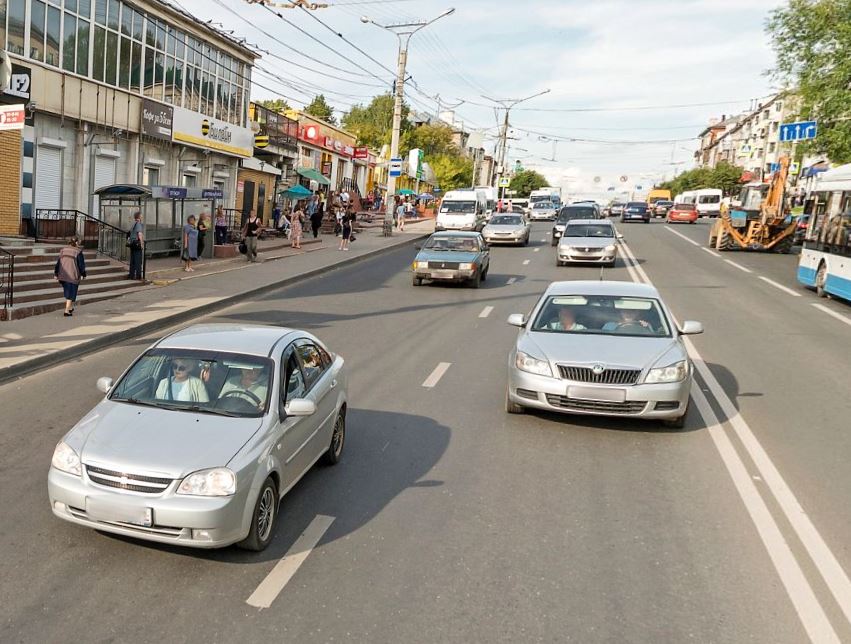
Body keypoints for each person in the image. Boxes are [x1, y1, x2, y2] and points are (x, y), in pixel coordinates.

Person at [54, 237, 87, 317]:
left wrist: (56, 273)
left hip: (63, 274)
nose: (79, 244)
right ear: (76, 243)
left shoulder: (63, 250)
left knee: (69, 291)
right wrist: (83, 274)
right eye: (78, 242)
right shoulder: (78, 252)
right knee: (71, 292)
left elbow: (58, 263)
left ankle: (70, 308)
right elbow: (81, 265)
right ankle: (66, 311)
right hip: (72, 275)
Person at [127, 211, 144, 280]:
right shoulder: (138, 224)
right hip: (137, 244)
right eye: (141, 215)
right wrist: (142, 243)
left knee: (133, 260)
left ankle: (131, 275)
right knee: (138, 260)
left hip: (132, 243)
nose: (142, 216)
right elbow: (139, 234)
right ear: (139, 217)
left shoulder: (133, 223)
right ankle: (138, 276)